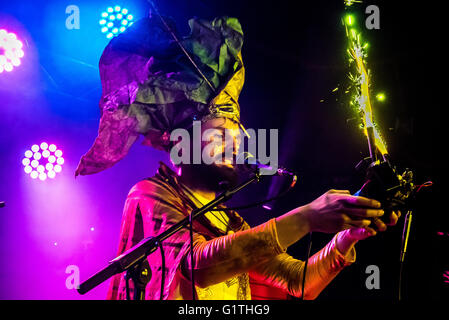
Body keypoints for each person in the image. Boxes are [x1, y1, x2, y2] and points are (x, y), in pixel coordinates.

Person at [75, 15, 399, 300]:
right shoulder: (150, 194)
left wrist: (345, 240)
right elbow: (194, 265)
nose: (234, 145)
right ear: (179, 142)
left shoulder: (230, 223)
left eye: (236, 136)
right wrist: (306, 218)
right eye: (220, 135)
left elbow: (298, 282)